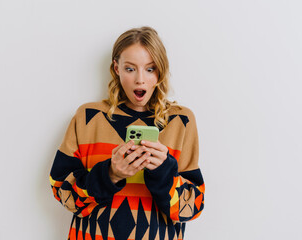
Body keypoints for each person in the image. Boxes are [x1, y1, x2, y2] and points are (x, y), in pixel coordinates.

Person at [49, 26, 205, 240]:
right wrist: (110, 174)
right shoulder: (88, 117)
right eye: (130, 69)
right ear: (116, 68)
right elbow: (62, 192)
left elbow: (191, 208)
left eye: (150, 69)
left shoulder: (181, 121)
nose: (140, 79)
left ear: (161, 70)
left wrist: (163, 173)